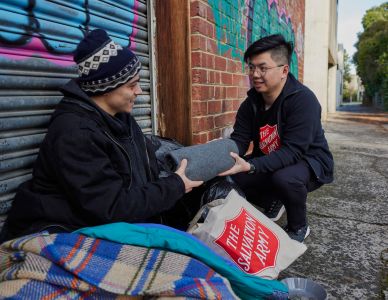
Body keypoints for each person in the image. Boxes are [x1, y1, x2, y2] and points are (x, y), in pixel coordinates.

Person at [0, 29, 203, 242]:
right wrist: (174, 186)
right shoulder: (75, 133)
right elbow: (111, 208)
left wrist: (204, 163)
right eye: (132, 85)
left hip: (113, 221)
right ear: (105, 87)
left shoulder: (121, 117)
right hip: (63, 232)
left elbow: (145, 171)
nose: (140, 92)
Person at [219, 34, 334, 242]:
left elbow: (293, 151)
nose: (255, 74)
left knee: (285, 178)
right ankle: (275, 198)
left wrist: (252, 166)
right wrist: (219, 152)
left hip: (310, 162)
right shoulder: (251, 104)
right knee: (229, 177)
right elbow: (240, 140)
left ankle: (299, 226)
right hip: (274, 159)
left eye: (263, 68)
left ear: (284, 70)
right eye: (252, 67)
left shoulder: (303, 101)